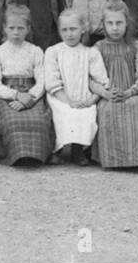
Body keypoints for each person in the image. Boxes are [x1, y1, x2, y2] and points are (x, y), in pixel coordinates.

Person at [91, 2, 138, 170]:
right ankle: (113, 160)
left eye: (119, 23)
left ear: (127, 23)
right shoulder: (98, 48)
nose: (115, 28)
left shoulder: (136, 47)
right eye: (110, 23)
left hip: (132, 93)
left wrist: (129, 92)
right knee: (107, 109)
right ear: (103, 25)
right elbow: (91, 79)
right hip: (108, 94)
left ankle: (137, 159)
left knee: (136, 106)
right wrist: (105, 93)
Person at [0, 4, 53, 166]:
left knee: (39, 120)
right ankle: (14, 155)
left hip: (31, 92)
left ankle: (37, 156)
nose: (16, 32)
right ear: (4, 28)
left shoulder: (36, 51)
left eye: (20, 28)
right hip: (7, 94)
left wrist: (29, 98)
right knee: (11, 120)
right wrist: (16, 95)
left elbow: (42, 81)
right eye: (11, 28)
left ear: (28, 29)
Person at [43, 9, 105, 165]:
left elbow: (101, 80)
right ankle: (58, 149)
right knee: (63, 112)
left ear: (83, 29)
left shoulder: (91, 53)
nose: (69, 34)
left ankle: (78, 150)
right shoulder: (53, 52)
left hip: (84, 97)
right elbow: (52, 81)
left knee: (86, 114)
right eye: (64, 30)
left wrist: (91, 100)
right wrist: (68, 101)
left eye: (73, 29)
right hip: (60, 96)